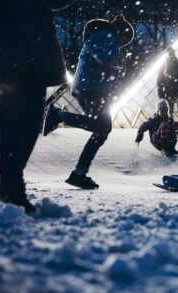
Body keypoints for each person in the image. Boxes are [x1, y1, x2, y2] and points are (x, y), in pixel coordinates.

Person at [0, 0, 78, 212]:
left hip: (36, 54)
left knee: (30, 123)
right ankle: (12, 184)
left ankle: (10, 181)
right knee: (12, 119)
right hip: (7, 50)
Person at [42, 15, 135, 189]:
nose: (122, 44)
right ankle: (58, 115)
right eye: (124, 40)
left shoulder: (105, 36)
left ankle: (79, 173)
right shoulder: (104, 34)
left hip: (92, 86)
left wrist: (112, 71)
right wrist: (112, 64)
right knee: (103, 128)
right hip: (92, 87)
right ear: (121, 32)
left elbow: (105, 61)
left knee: (100, 132)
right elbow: (100, 56)